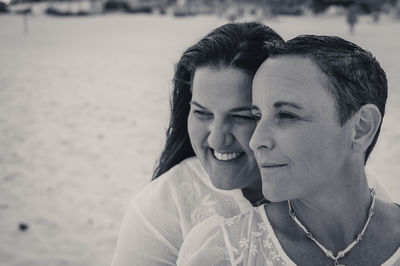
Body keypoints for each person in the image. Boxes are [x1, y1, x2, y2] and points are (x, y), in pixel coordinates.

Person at [177, 35, 400, 265]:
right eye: (256, 116)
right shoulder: (221, 252)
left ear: (361, 127)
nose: (256, 141)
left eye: (286, 115)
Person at [111, 22, 284, 266]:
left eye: (241, 117)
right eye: (202, 113)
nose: (216, 139)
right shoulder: (160, 209)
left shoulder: (324, 188)